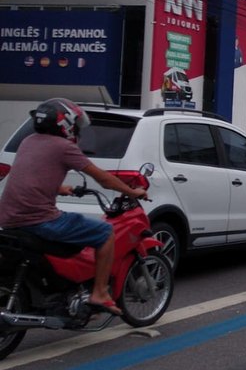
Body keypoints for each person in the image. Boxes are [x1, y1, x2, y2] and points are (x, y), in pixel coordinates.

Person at [0, 98, 147, 316]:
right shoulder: (64, 147)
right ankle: (99, 293)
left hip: (9, 218)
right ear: (66, 124)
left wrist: (59, 188)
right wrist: (134, 192)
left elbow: (32, 177)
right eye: (76, 124)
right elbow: (103, 179)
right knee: (105, 232)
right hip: (40, 221)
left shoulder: (28, 141)